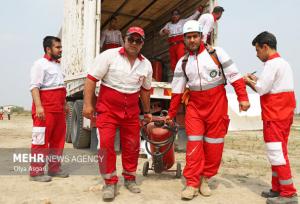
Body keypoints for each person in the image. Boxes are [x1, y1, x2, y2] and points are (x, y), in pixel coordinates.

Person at [166, 20, 250, 200]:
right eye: (188, 37)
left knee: (214, 146)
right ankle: (191, 183)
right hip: (195, 107)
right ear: (184, 39)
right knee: (194, 145)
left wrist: (242, 98)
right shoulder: (183, 62)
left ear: (201, 37)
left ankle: (205, 179)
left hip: (217, 106)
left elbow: (235, 76)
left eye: (195, 36)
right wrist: (171, 114)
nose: (192, 40)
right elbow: (177, 91)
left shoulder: (217, 53)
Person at [83, 26, 152, 201]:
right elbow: (91, 79)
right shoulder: (109, 56)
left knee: (132, 145)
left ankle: (129, 178)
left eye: (138, 41)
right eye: (131, 39)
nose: (134, 43)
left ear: (142, 44)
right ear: (124, 40)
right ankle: (109, 182)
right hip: (107, 110)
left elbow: (145, 90)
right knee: (105, 145)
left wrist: (147, 112)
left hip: (131, 112)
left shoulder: (146, 65)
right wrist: (87, 105)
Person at [244, 31, 298, 204]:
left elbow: (261, 89)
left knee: (276, 153)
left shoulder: (271, 64)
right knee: (278, 152)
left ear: (265, 47)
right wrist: (256, 79)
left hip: (274, 115)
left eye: (257, 50)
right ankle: (277, 188)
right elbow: (271, 86)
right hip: (285, 115)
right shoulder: (284, 63)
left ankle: (289, 194)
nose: (257, 54)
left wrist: (248, 81)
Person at [29, 36, 69, 182]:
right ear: (48, 49)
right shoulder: (39, 64)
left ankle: (54, 169)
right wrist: (39, 107)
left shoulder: (58, 65)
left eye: (60, 47)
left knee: (58, 141)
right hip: (45, 110)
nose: (60, 50)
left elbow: (60, 87)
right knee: (40, 141)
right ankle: (36, 172)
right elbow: (34, 87)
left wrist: (64, 104)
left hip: (58, 110)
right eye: (58, 47)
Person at [160, 6, 204, 72]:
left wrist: (198, 12)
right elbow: (160, 33)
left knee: (180, 59)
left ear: (179, 15)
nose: (175, 16)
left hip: (180, 44)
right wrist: (164, 31)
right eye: (173, 14)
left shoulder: (183, 22)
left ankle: (183, 75)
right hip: (172, 45)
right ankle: (176, 77)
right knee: (173, 62)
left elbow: (192, 18)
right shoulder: (168, 24)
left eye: (176, 14)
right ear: (171, 16)